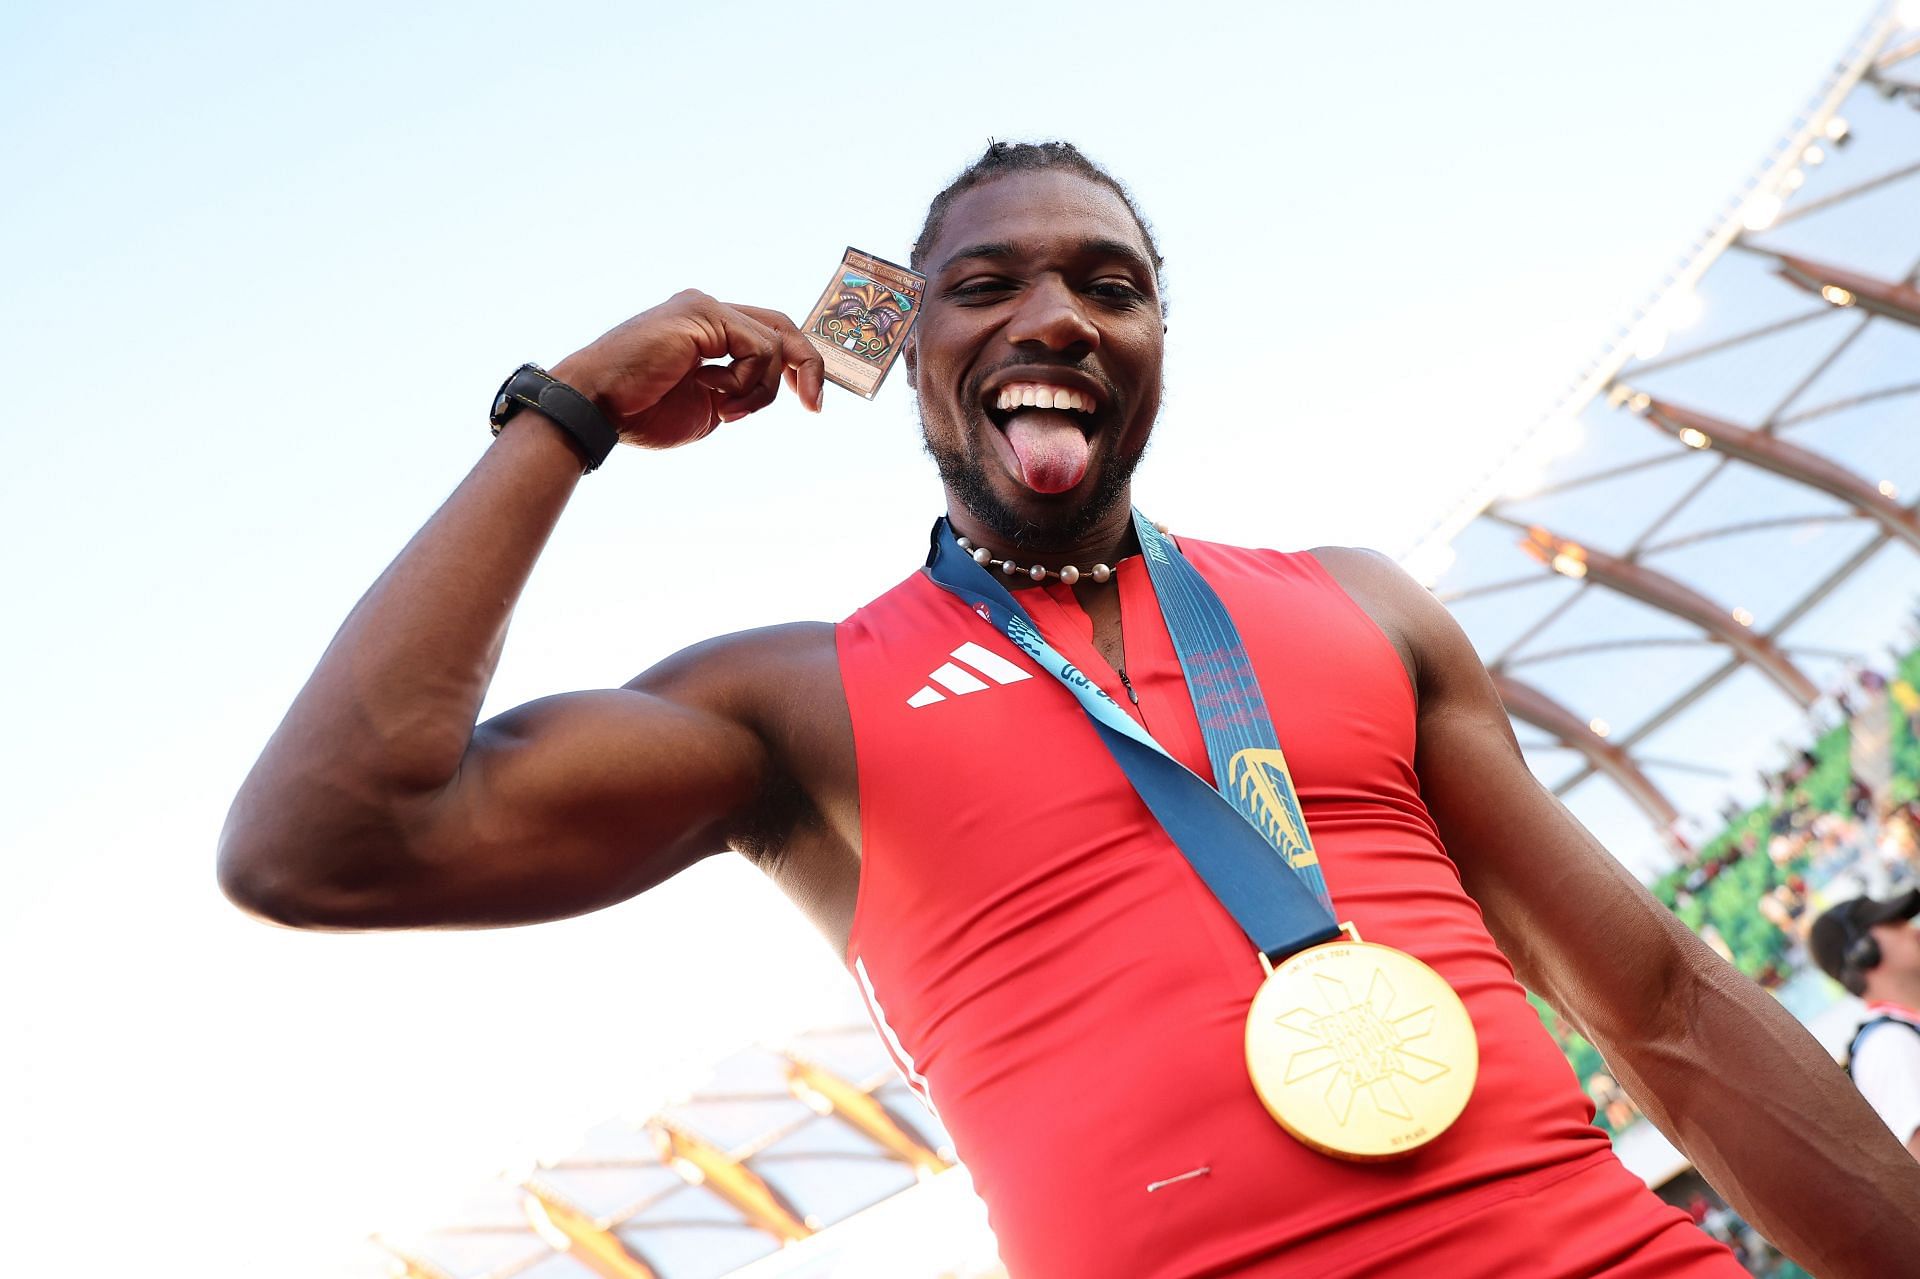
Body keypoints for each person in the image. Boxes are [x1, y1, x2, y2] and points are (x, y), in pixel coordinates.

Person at [218, 141, 1920, 1277]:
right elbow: (325, 841)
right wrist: (564, 414)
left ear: (1156, 339)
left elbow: (1667, 1003)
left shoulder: (1358, 603)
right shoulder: (795, 702)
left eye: (1109, 284)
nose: (1056, 314)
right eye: (983, 285)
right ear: (913, 347)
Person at [1811, 888, 1920, 1159]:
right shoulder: (1886, 1046)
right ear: (1863, 952)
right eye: (1895, 923)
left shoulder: (1897, 1035)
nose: (1913, 929)